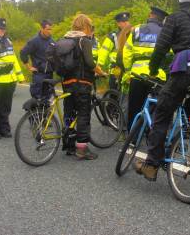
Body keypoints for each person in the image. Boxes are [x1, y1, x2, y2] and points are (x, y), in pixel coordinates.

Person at [135, 0, 190, 181]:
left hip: (183, 71)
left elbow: (161, 46)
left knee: (161, 114)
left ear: (180, 1)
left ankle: (151, 165)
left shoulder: (175, 18)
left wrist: (153, 69)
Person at [60, 14, 106, 159]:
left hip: (67, 83)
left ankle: (69, 145)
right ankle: (82, 149)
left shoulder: (65, 39)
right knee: (83, 115)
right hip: (82, 83)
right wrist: (100, 71)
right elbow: (90, 62)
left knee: (69, 114)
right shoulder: (84, 40)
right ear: (86, 26)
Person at [123, 7, 168, 129]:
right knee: (158, 109)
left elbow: (126, 53)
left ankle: (132, 139)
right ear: (163, 19)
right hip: (157, 76)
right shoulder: (165, 32)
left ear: (150, 15)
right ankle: (153, 135)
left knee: (134, 108)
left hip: (137, 75)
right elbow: (171, 54)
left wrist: (128, 71)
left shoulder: (136, 30)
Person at [20, 19, 54, 99]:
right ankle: (36, 111)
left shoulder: (52, 41)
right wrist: (29, 67)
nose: (50, 31)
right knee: (37, 99)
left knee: (47, 99)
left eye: (51, 29)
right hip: (39, 74)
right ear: (42, 29)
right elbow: (23, 53)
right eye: (48, 29)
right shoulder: (34, 41)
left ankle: (46, 111)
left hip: (49, 74)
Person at [96, 12, 130, 90]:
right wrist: (99, 66)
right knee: (114, 97)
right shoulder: (113, 36)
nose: (126, 24)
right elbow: (103, 51)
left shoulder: (134, 34)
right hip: (116, 71)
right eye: (124, 22)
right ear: (118, 24)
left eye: (127, 21)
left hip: (129, 72)